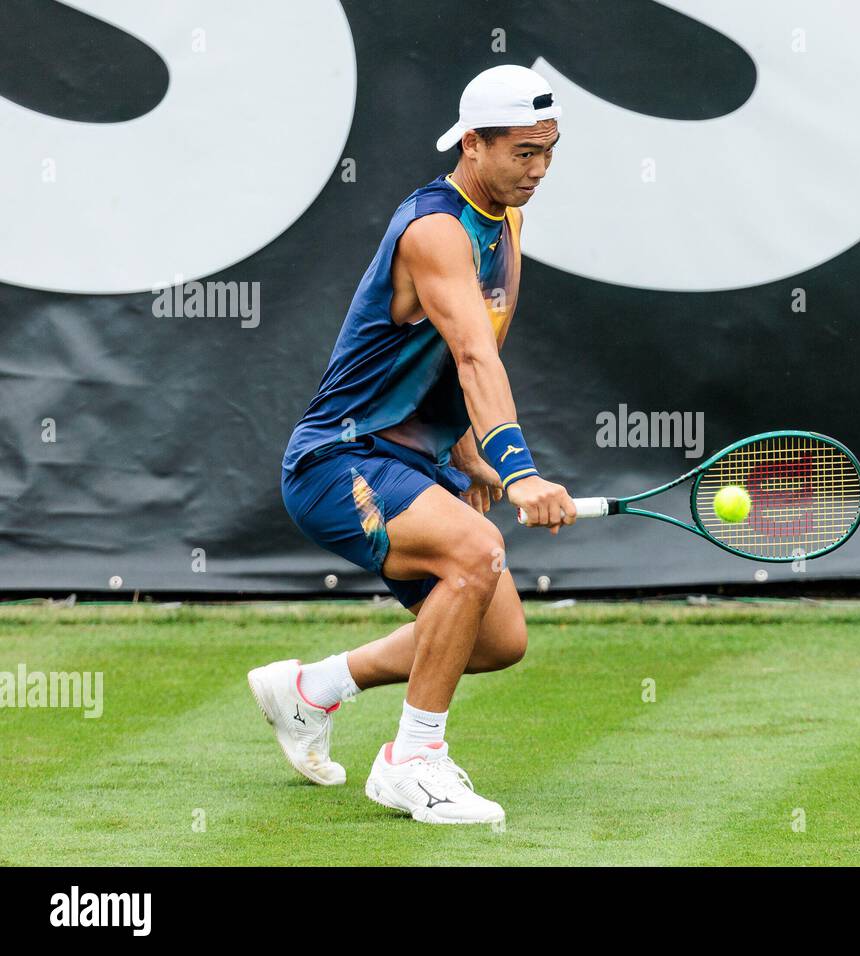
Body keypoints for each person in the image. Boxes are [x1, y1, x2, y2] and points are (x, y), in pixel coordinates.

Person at [251, 64, 575, 825]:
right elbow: (471, 354)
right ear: (473, 143)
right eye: (523, 152)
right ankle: (411, 761)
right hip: (339, 462)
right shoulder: (435, 229)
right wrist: (518, 469)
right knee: (474, 553)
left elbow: (447, 351)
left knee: (497, 639)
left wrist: (463, 447)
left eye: (549, 150)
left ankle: (312, 689)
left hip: (409, 457)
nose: (539, 169)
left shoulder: (508, 222)